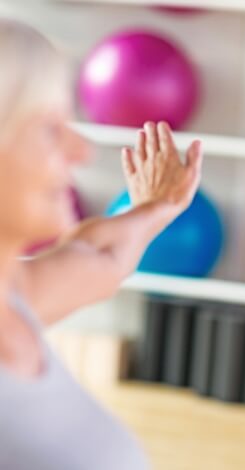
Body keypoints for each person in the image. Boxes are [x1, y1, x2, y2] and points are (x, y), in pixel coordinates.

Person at [0, 19, 202, 470]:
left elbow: (101, 257)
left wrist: (156, 209)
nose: (82, 152)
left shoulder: (17, 301)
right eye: (51, 129)